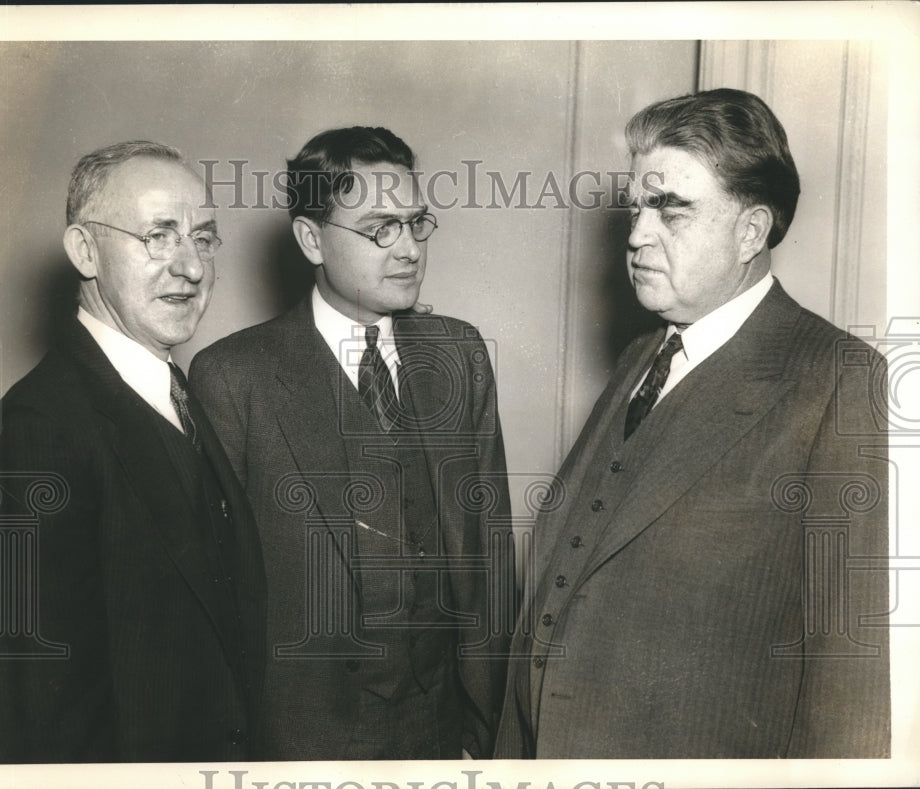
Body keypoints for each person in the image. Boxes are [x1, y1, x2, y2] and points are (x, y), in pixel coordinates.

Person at [495, 88, 890, 759]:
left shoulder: (842, 379)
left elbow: (853, 679)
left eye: (671, 211)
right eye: (637, 207)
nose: (637, 233)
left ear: (750, 231)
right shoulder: (640, 357)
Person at [190, 126, 514, 760]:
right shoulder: (234, 375)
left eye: (417, 224)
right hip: (299, 740)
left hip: (445, 733)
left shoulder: (460, 354)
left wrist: (486, 730)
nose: (409, 250)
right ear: (312, 238)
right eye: (378, 229)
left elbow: (490, 553)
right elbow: (215, 596)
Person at [0, 140, 266, 763]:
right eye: (159, 235)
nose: (191, 267)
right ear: (84, 251)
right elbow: (23, 715)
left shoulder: (177, 393)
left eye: (203, 237)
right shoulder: (34, 433)